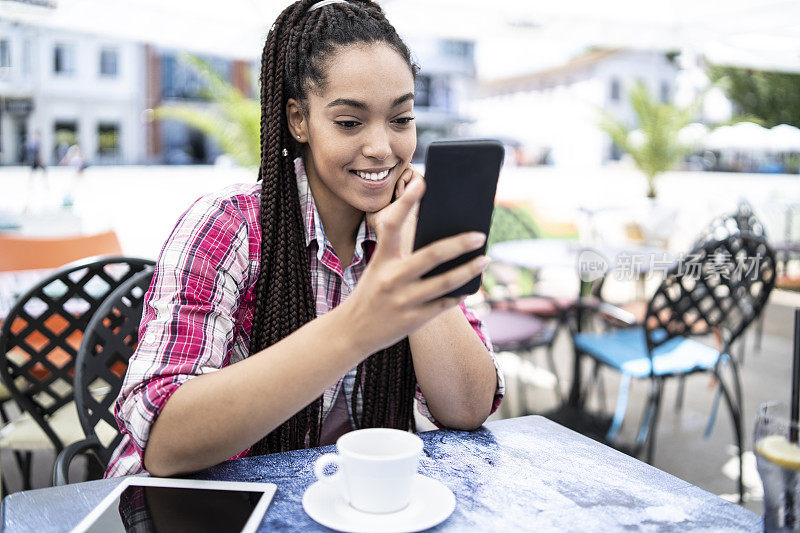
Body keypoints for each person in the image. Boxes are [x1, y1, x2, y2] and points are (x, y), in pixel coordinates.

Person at [105, 0, 504, 478]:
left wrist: (416, 261)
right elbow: (166, 443)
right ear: (299, 120)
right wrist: (358, 327)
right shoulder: (230, 227)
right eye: (349, 122)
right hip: (190, 506)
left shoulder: (404, 228)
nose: (382, 148)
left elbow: (466, 408)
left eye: (401, 119)